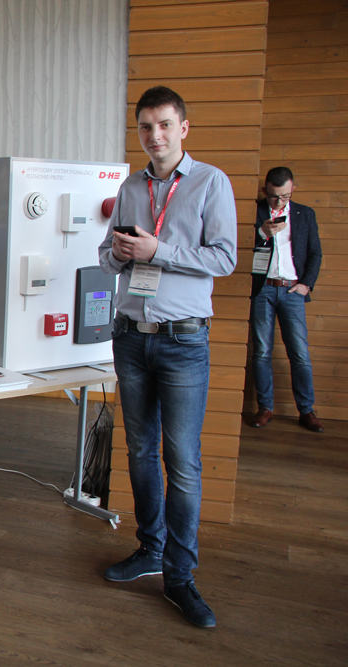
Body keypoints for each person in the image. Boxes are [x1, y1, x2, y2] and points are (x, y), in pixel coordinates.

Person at [98, 86, 237, 628]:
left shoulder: (211, 182)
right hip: (131, 336)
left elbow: (224, 258)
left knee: (181, 461)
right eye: (145, 127)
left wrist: (159, 251)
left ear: (183, 128)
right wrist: (118, 254)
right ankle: (150, 549)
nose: (154, 135)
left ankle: (180, 577)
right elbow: (107, 256)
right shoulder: (131, 187)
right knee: (139, 451)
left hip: (183, 341)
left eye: (163, 125)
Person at [248, 167, 324, 433]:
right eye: (273, 196)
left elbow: (315, 253)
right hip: (263, 290)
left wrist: (306, 285)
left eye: (285, 196)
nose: (279, 201)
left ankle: (306, 410)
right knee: (261, 352)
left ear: (293, 190)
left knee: (300, 353)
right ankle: (265, 408)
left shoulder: (305, 214)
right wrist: (262, 234)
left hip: (292, 291)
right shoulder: (254, 212)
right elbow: (238, 247)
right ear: (264, 191)